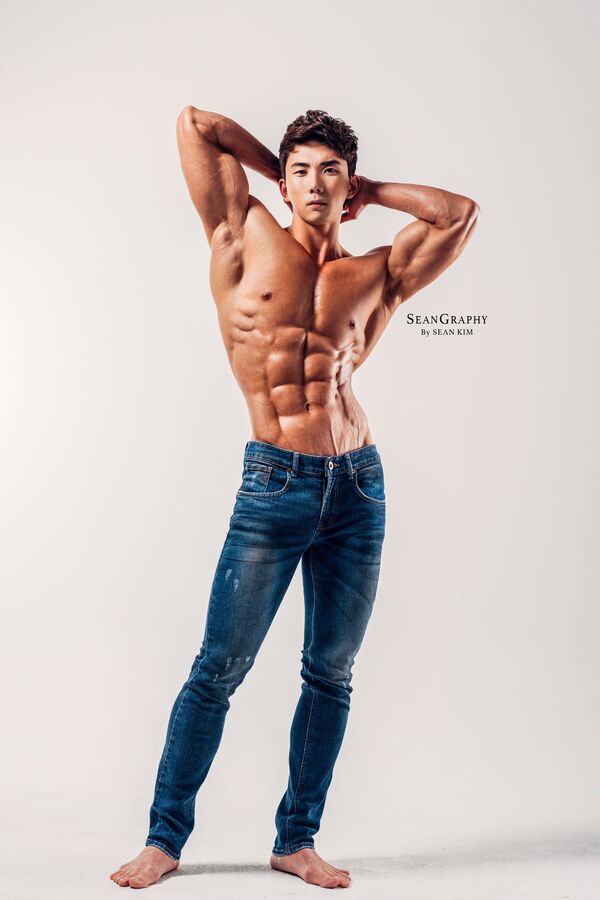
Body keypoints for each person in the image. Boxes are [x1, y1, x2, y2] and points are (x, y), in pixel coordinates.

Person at [110, 107, 479, 890]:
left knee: (331, 673)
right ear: (283, 182)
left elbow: (458, 214)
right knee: (218, 668)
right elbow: (197, 125)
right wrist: (275, 167)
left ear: (348, 184)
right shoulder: (241, 234)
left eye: (330, 171)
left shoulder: (375, 273)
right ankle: (164, 839)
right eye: (301, 170)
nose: (314, 183)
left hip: (359, 486)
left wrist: (376, 191)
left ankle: (296, 840)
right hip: (274, 484)